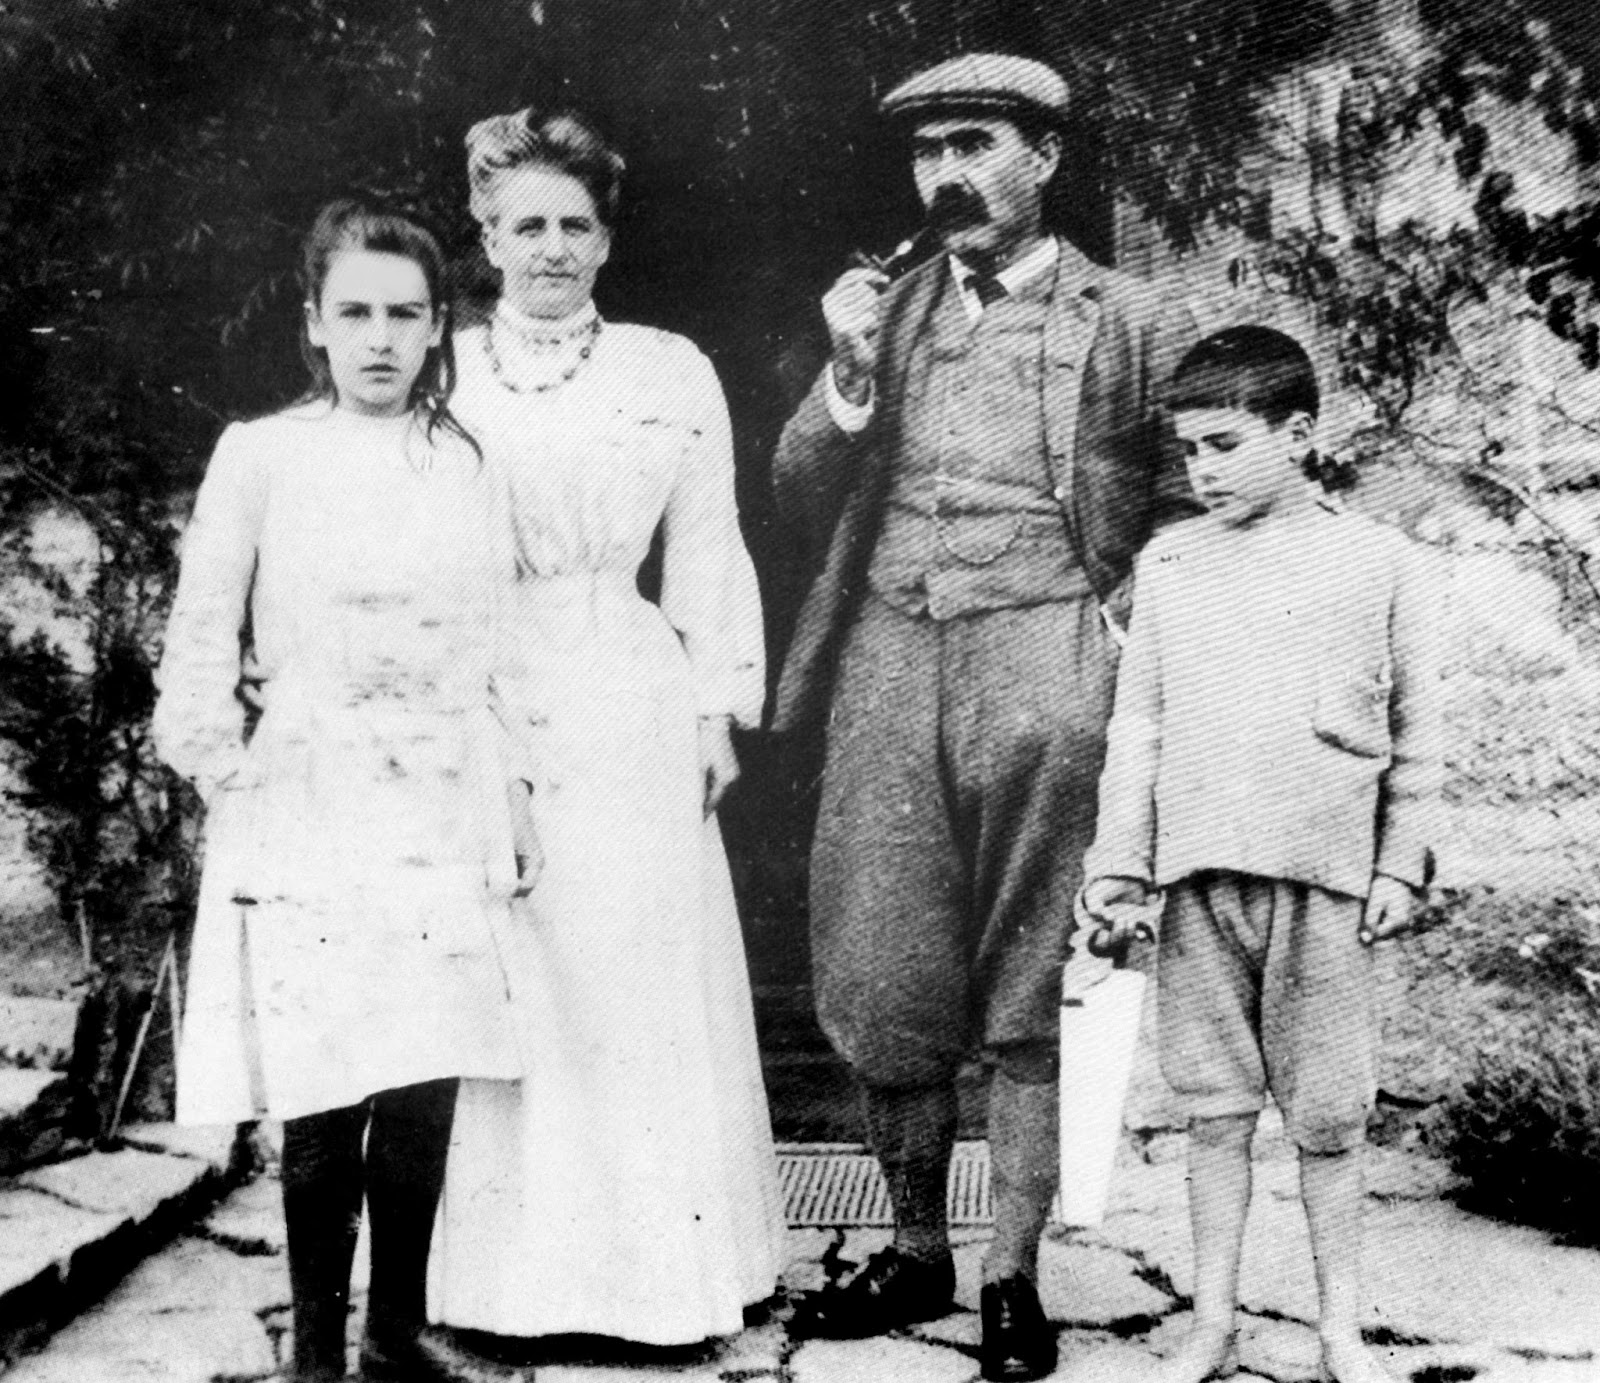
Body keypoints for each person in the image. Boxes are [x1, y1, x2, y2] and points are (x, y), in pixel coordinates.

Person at [772, 50, 1199, 1383]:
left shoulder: (1134, 318)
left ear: (1045, 157)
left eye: (975, 144)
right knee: (881, 963)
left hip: (1049, 657)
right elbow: (793, 491)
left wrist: (1121, 637)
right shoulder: (884, 311)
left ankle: (1011, 1272)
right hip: (889, 659)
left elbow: (1191, 504)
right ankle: (915, 1249)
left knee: (1034, 974)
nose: (946, 173)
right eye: (927, 151)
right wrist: (845, 377)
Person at [152, 200, 536, 1383]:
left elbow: (496, 648)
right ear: (314, 324)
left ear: (437, 328)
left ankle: (394, 1334)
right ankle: (317, 1353)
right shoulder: (262, 455)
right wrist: (230, 775)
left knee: (423, 1078)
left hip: (439, 796)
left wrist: (513, 794)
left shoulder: (467, 463)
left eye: (404, 315)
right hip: (310, 800)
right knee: (324, 1088)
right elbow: (201, 635)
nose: (380, 338)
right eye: (355, 312)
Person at [425, 106, 785, 1353]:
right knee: (520, 977)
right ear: (485, 236)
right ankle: (511, 1292)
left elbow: (709, 546)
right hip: (491, 691)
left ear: (607, 239)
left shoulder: (667, 369)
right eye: (526, 224)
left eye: (575, 225)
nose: (552, 248)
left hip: (631, 691)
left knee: (636, 974)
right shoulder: (442, 372)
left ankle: (662, 1289)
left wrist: (716, 707)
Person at [1081, 325, 1442, 1383]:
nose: (1203, 470)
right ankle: (1211, 1323)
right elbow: (1138, 727)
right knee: (1213, 1112)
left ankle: (1340, 1329)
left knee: (1329, 1117)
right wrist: (1118, 864)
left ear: (1299, 433)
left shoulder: (1381, 562)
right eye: (1190, 449)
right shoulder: (1170, 563)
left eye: (1226, 444)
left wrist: (1397, 864)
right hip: (1200, 880)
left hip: (1325, 878)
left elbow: (1419, 732)